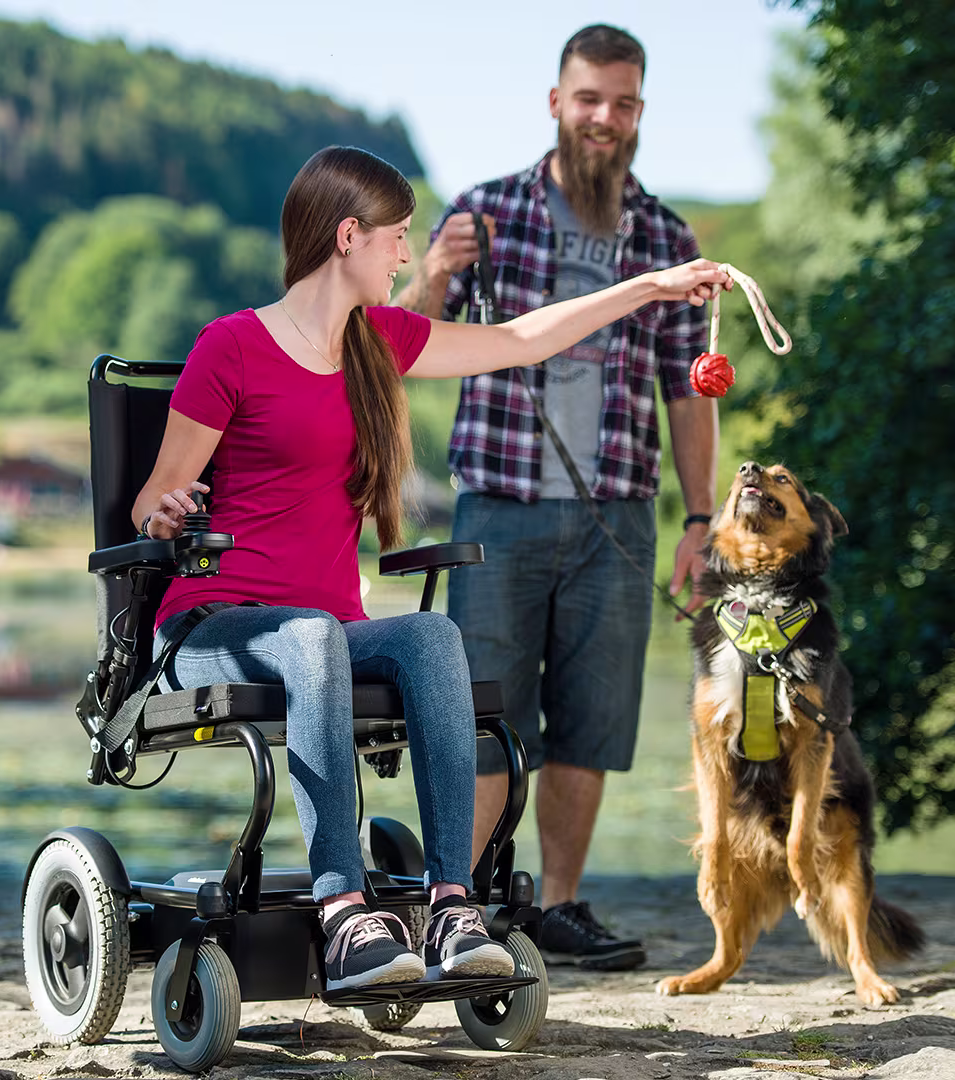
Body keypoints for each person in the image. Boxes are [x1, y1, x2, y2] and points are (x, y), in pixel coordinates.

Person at [132, 145, 727, 991]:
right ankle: (343, 910)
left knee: (431, 636)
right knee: (310, 638)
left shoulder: (378, 343)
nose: (408, 256)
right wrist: (162, 511)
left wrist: (651, 288)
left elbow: (523, 339)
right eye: (397, 238)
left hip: (327, 631)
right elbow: (152, 495)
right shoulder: (230, 346)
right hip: (214, 626)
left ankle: (451, 904)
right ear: (349, 236)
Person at [391, 24, 717, 973]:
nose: (605, 118)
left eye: (623, 102)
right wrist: (440, 271)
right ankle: (470, 905)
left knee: (594, 716)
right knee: (482, 710)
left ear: (640, 113)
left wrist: (699, 519)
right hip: (498, 512)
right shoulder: (487, 212)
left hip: (618, 514)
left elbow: (686, 393)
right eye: (589, 99)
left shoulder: (664, 237)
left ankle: (559, 906)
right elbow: (398, 346)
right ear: (556, 103)